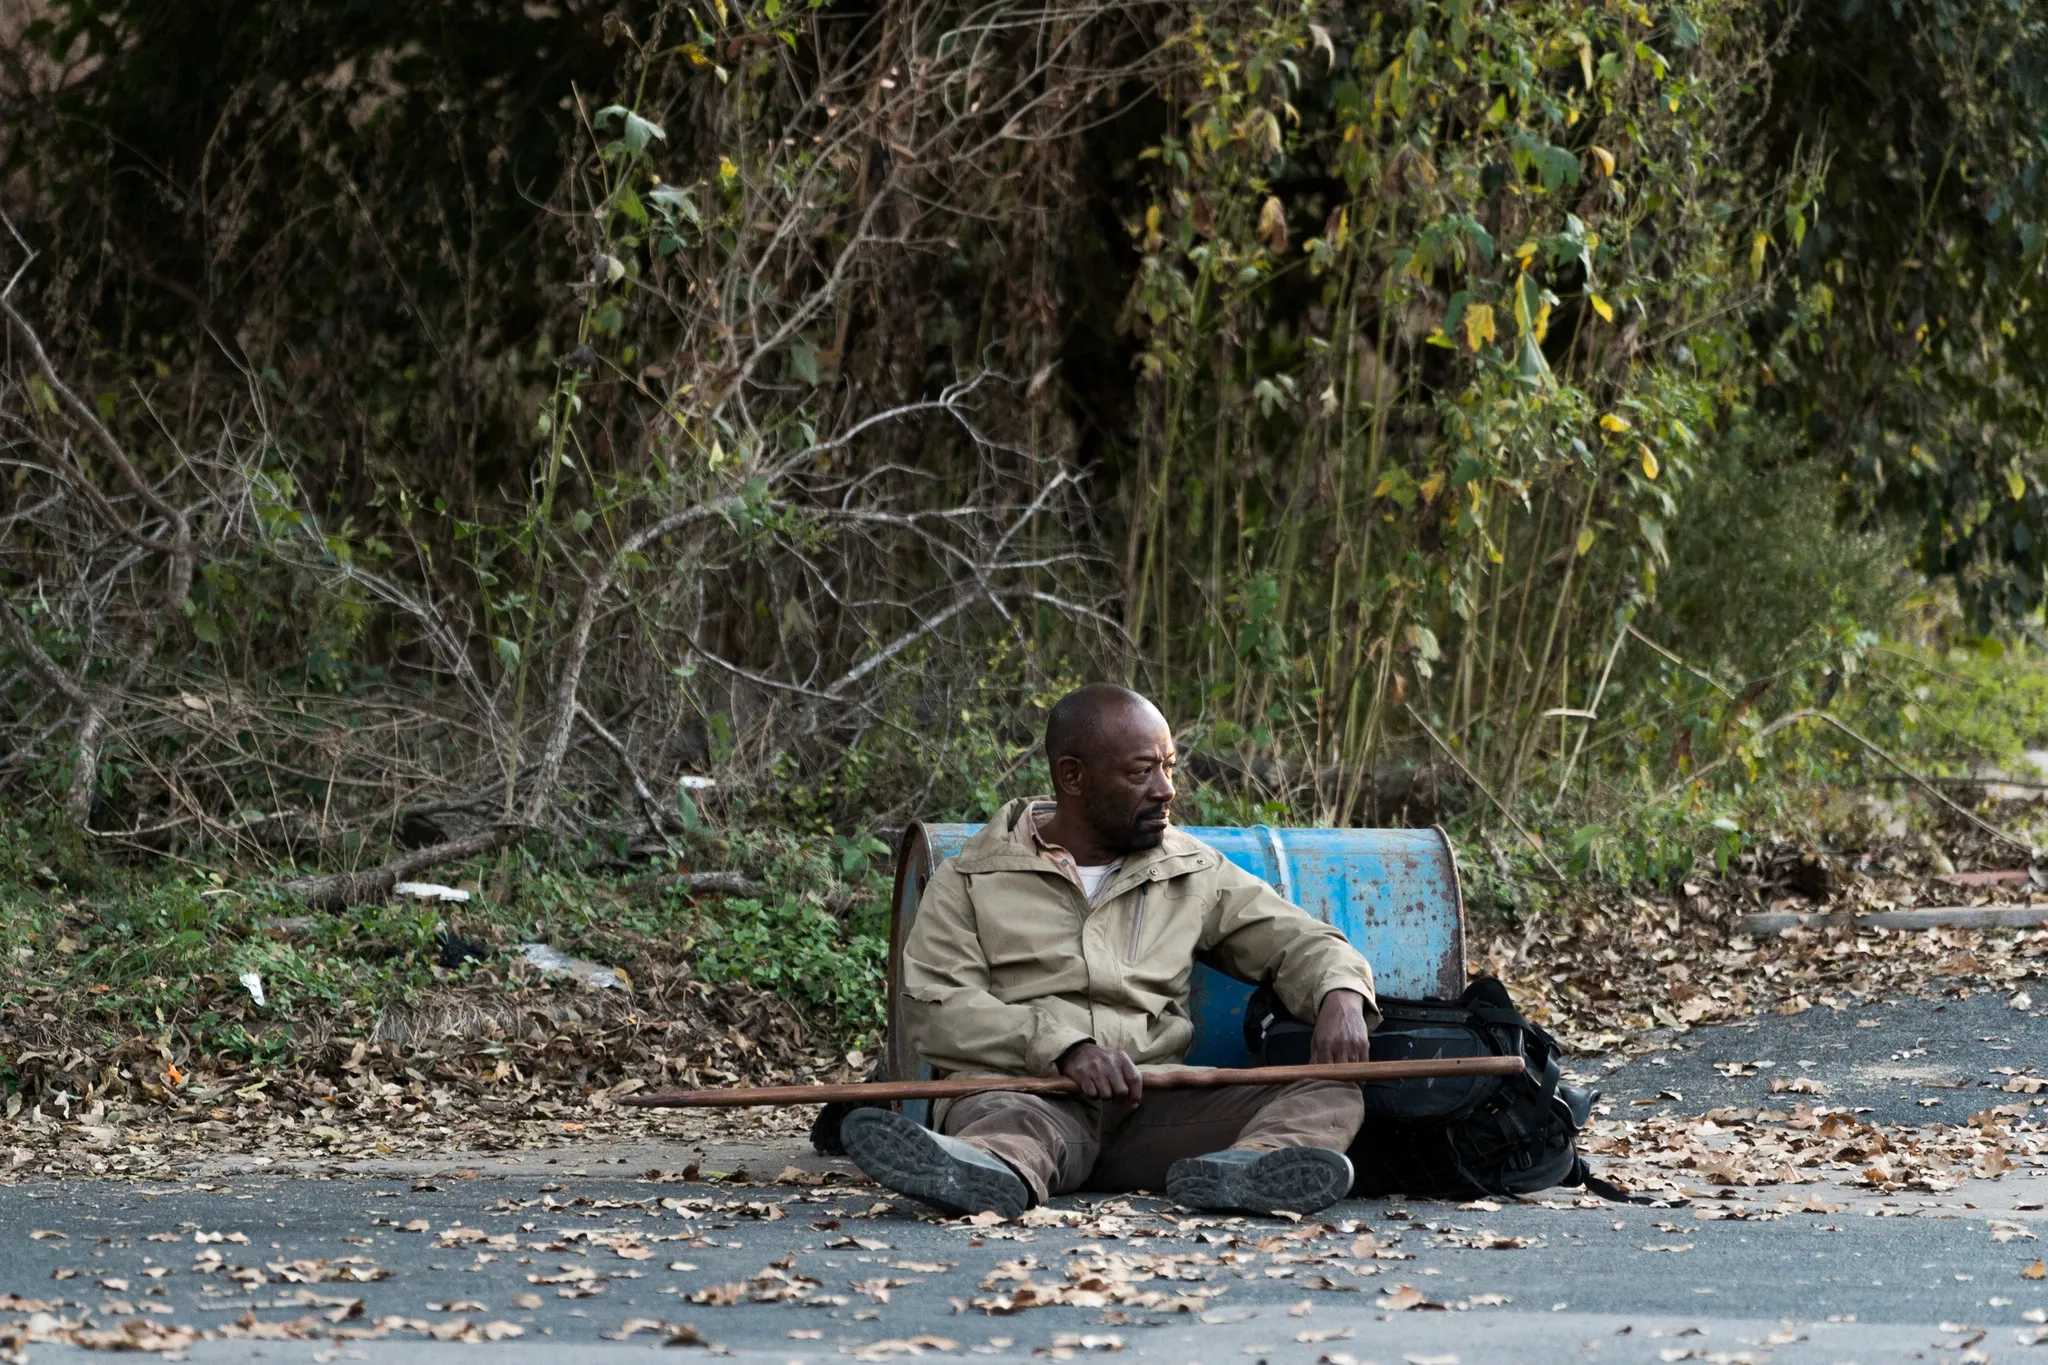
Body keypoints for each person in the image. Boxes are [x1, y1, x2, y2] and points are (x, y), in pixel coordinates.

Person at [839, 683, 1379, 1217]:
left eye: (1169, 767)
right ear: (1073, 776)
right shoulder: (970, 878)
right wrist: (1066, 1049)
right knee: (1006, 1124)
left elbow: (1300, 941)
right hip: (1033, 1096)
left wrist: (1341, 993)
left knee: (1329, 1091)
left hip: (1155, 1107)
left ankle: (1250, 1170)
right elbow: (938, 1007)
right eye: (1142, 772)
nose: (1165, 789)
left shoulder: (1191, 868)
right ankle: (985, 1172)